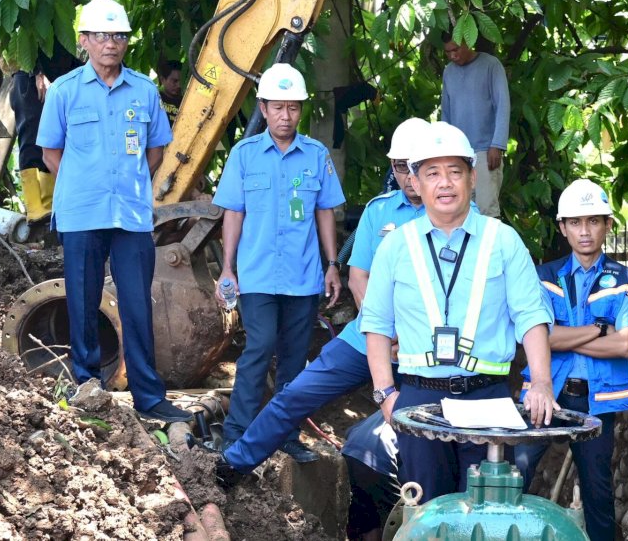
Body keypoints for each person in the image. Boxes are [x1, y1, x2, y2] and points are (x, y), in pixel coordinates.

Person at [214, 117, 428, 479]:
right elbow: (359, 276)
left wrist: (408, 336)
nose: (409, 177)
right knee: (296, 391)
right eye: (400, 167)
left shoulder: (459, 219)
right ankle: (234, 462)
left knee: (415, 429)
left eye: (417, 168)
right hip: (369, 335)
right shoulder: (380, 210)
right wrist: (382, 329)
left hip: (425, 347)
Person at [362, 120, 557, 503]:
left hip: (488, 398)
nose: (445, 183)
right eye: (432, 173)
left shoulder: (503, 240)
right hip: (418, 399)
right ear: (415, 184)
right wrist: (387, 396)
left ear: (472, 179)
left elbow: (531, 316)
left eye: (455, 172)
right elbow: (376, 326)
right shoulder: (395, 246)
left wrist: (541, 382)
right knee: (428, 511)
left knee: (487, 510)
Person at [36, 0, 191, 424]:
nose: (111, 43)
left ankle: (148, 395)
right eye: (102, 35)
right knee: (82, 303)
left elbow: (156, 149)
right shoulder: (65, 91)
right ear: (84, 40)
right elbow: (51, 153)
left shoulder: (143, 90)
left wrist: (128, 181)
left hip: (130, 216)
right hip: (82, 214)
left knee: (137, 305)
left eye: (119, 35)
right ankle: (87, 386)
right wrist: (85, 183)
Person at [213, 63, 345, 464]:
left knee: (293, 356)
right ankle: (236, 433)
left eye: (293, 107)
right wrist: (227, 268)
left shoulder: (316, 155)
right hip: (256, 275)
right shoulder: (244, 154)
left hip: (303, 277)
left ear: (300, 110)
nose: (285, 116)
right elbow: (233, 214)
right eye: (278, 107)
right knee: (260, 345)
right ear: (264, 108)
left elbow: (325, 213)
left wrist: (332, 263)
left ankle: (286, 435)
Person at [515, 179, 628, 541]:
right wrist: (600, 330)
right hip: (545, 392)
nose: (584, 231)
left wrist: (562, 338)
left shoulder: (626, 279)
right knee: (516, 476)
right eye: (575, 222)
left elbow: (625, 346)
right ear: (563, 228)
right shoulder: (544, 277)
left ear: (607, 225)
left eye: (593, 222)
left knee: (597, 493)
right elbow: (542, 337)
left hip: (595, 399)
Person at [13, 0, 92, 226]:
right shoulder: (39, 8)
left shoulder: (63, 19)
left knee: (54, 139)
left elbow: (65, 55)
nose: (78, 3)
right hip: (32, 83)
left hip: (56, 86)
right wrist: (37, 73)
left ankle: (51, 203)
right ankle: (36, 207)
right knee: (32, 138)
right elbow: (26, 39)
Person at [439, 31, 509, 218]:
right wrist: (444, 150)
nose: (453, 55)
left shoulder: (491, 65)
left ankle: (491, 248)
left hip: (485, 150)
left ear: (468, 42)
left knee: (487, 209)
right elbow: (445, 113)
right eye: (448, 52)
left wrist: (497, 144)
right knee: (460, 210)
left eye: (456, 49)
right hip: (458, 152)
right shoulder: (448, 72)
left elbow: (503, 105)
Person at [342, 413, 399, 541]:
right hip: (380, 462)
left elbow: (349, 432)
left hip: (349, 456)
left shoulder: (383, 410)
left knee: (367, 519)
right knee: (397, 520)